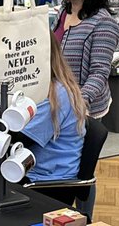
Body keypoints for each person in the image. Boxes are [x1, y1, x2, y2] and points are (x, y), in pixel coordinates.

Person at [54, 0, 119, 118]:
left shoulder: (103, 23)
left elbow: (99, 72)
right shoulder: (63, 13)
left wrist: (80, 102)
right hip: (58, 99)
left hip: (84, 109)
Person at [19, 33, 87, 182]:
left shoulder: (56, 94)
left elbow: (21, 139)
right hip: (39, 170)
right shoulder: (52, 87)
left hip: (46, 179)